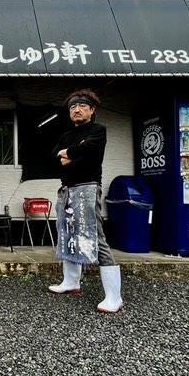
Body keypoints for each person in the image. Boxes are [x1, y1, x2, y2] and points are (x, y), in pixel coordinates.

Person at [47, 89, 123, 313]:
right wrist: (72, 155)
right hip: (67, 190)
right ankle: (70, 282)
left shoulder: (98, 131)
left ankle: (114, 297)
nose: (77, 110)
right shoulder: (65, 134)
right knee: (68, 236)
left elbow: (91, 151)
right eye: (72, 107)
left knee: (95, 237)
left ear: (92, 110)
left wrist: (69, 154)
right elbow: (53, 157)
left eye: (81, 106)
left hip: (88, 188)